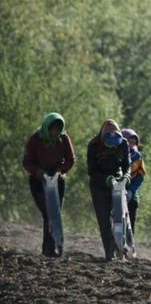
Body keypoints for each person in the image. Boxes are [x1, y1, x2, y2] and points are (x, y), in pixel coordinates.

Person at [22, 112, 76, 257]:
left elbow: (71, 159)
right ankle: (49, 249)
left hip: (57, 180)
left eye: (59, 128)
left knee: (55, 214)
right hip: (38, 181)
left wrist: (60, 170)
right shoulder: (36, 139)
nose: (56, 132)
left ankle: (55, 247)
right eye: (54, 128)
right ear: (48, 127)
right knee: (47, 213)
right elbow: (26, 162)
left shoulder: (63, 138)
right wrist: (39, 173)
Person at [87, 119, 131, 261]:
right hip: (99, 186)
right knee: (105, 221)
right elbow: (91, 171)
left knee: (121, 217)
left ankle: (122, 248)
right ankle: (109, 253)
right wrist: (106, 180)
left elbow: (127, 165)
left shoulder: (123, 143)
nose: (112, 148)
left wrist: (126, 177)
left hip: (118, 183)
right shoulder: (93, 145)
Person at [121, 128, 146, 237]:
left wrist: (131, 191)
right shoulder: (116, 153)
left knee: (131, 218)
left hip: (132, 192)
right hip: (117, 188)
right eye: (129, 141)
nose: (131, 144)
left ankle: (129, 242)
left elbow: (140, 176)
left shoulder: (138, 156)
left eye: (133, 142)